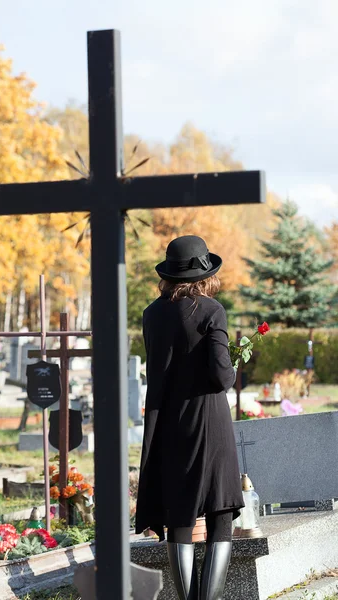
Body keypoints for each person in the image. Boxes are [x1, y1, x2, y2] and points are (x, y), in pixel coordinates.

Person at [135, 235, 244, 600]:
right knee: (220, 511)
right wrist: (232, 361)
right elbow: (221, 376)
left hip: (168, 422)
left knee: (179, 514)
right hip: (209, 421)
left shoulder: (152, 313)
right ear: (205, 274)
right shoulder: (212, 310)